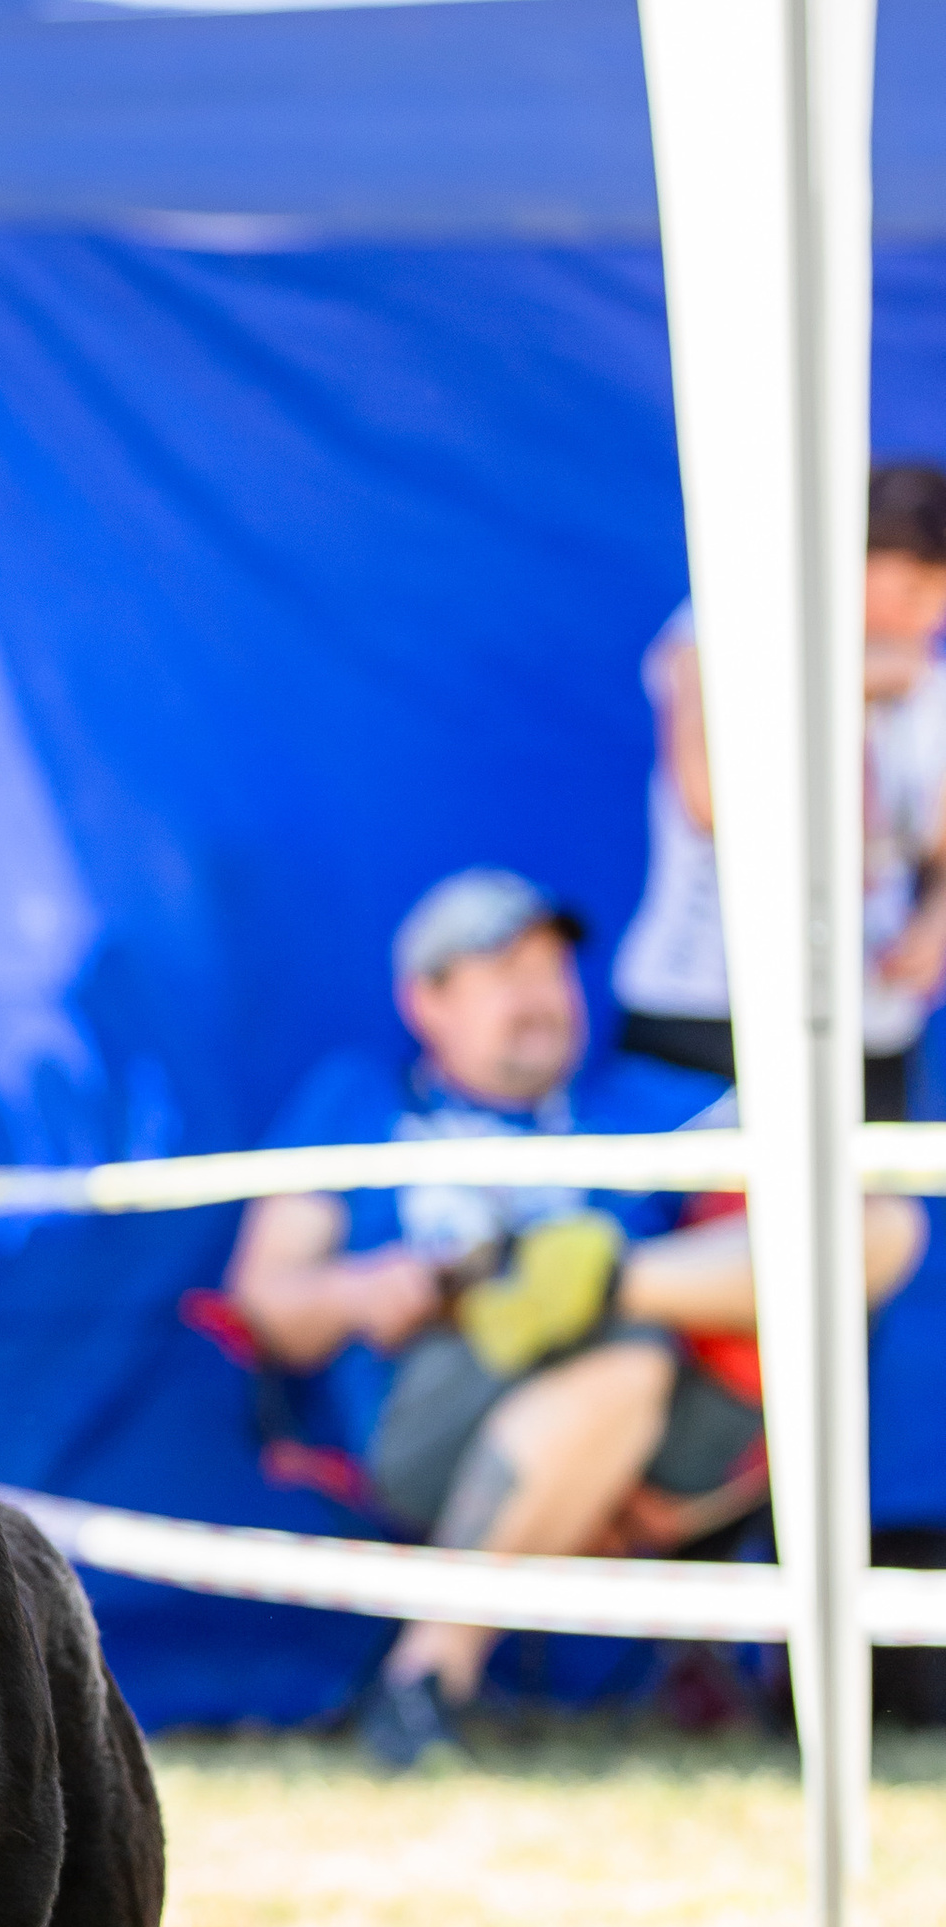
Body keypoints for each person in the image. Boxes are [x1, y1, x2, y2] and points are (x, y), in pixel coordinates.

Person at [229, 869, 924, 1768]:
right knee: (621, 1369)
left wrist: (613, 1284)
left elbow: (872, 1228)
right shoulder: (364, 1103)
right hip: (435, 1415)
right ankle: (430, 1667)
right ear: (427, 1000)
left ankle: (424, 1675)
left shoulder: (642, 1105)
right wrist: (363, 1290)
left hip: (667, 1429)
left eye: (554, 971)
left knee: (866, 1227)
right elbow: (267, 1296)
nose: (540, 994)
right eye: (504, 970)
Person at [612, 460, 946, 1121]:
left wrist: (933, 927)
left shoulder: (927, 682)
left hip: (867, 1024)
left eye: (939, 594)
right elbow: (710, 796)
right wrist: (846, 679)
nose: (926, 617)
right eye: (909, 591)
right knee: (707, 1219)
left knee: (871, 1220)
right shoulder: (726, 628)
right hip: (708, 1008)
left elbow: (938, 842)